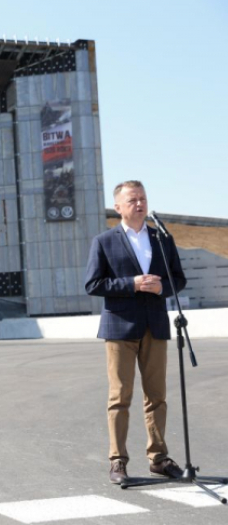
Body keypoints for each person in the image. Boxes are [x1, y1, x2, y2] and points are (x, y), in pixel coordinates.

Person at [85, 180, 187, 484]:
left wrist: (161, 288)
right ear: (118, 207)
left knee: (157, 396)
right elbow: (93, 284)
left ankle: (158, 458)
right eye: (132, 200)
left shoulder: (161, 238)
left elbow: (178, 279)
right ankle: (118, 460)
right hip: (119, 328)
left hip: (155, 326)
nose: (139, 204)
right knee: (120, 396)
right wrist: (132, 284)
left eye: (142, 198)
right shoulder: (104, 241)